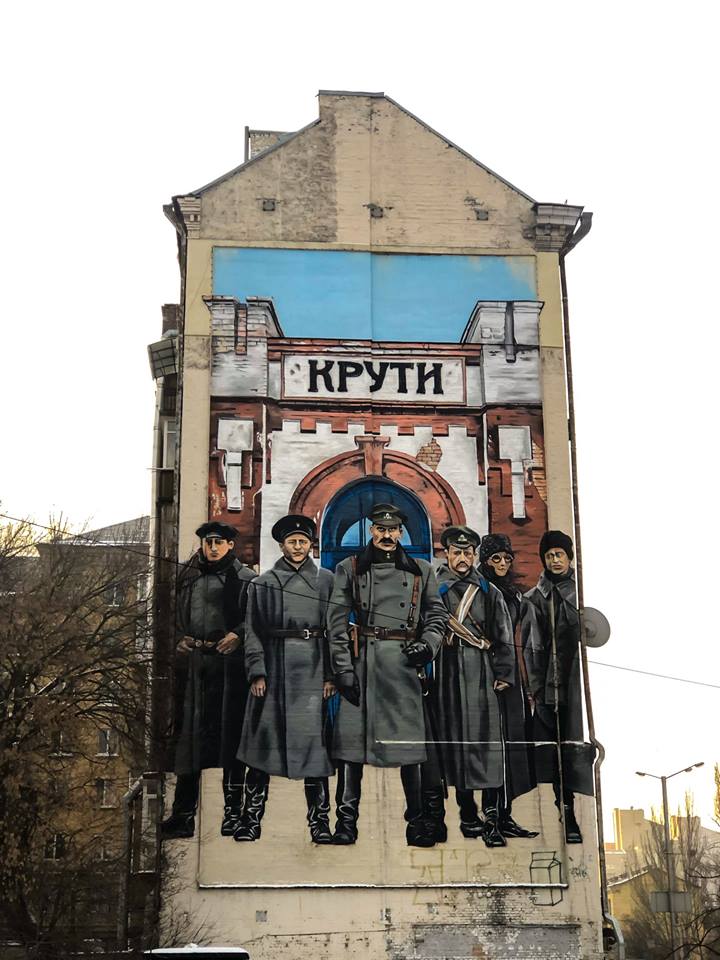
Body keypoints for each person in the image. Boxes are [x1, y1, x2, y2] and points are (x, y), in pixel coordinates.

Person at [327, 503, 448, 847]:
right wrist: (343, 669)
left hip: (404, 666)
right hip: (364, 663)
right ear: (371, 531)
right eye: (380, 529)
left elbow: (437, 616)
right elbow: (336, 624)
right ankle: (346, 823)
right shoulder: (350, 568)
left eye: (393, 529)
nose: (387, 535)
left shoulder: (421, 571)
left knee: (410, 750)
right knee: (351, 748)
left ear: (400, 532)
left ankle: (417, 823)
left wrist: (427, 645)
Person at [234, 515, 336, 844]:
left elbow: (335, 632)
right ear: (281, 546)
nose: (297, 547)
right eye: (292, 542)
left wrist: (331, 675)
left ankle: (320, 822)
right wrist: (257, 672)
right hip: (274, 672)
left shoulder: (326, 581)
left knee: (315, 750)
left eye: (303, 542)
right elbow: (253, 631)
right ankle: (251, 819)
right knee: (261, 748)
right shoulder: (263, 583)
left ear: (311, 546)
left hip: (312, 670)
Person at [161, 521, 256, 840]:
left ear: (230, 545)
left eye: (219, 542)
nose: (212, 548)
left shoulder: (246, 579)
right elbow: (172, 615)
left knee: (232, 741)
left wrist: (238, 635)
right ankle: (183, 816)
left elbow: (257, 619)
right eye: (208, 542)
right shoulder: (188, 577)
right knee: (190, 742)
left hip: (230, 670)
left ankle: (233, 814)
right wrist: (179, 638)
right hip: (195, 669)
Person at [433, 526, 516, 847]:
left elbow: (503, 634)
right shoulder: (435, 589)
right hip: (448, 674)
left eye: (468, 553)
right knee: (457, 745)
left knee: (488, 745)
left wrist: (504, 673)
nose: (463, 558)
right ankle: (468, 815)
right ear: (447, 554)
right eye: (457, 552)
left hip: (482, 673)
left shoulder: (488, 591)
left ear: (474, 556)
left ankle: (492, 819)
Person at [520, 530, 588, 844]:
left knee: (576, 749)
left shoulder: (583, 593)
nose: (555, 560)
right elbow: (531, 648)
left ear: (569, 557)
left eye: (559, 554)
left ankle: (574, 809)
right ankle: (566, 812)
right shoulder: (535, 598)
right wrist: (536, 691)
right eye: (549, 556)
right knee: (556, 753)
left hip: (578, 685)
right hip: (551, 686)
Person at [478, 533, 538, 839]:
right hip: (485, 674)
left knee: (511, 745)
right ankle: (490, 816)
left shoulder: (514, 595)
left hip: (511, 677)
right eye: (496, 559)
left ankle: (505, 814)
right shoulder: (480, 590)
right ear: (485, 561)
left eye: (506, 558)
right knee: (491, 745)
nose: (502, 564)